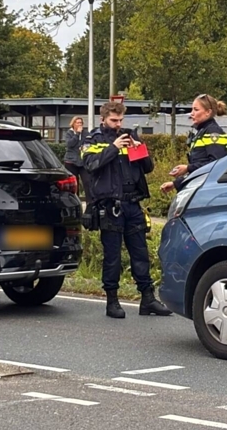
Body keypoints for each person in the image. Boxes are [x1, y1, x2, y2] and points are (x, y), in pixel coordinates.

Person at [82, 101, 172, 319]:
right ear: (103, 119)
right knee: (112, 256)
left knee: (140, 253)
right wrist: (114, 147)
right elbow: (91, 165)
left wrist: (137, 149)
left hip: (132, 204)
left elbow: (148, 168)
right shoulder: (93, 139)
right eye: (114, 120)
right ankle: (112, 301)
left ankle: (148, 299)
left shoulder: (131, 136)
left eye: (120, 120)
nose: (118, 124)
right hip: (110, 205)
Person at [162, 94, 227, 194]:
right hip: (204, 188)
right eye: (192, 110)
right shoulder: (203, 131)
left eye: (196, 110)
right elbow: (199, 170)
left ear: (208, 112)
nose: (191, 114)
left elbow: (215, 165)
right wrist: (175, 184)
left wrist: (187, 168)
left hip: (209, 191)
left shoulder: (212, 132)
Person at [63, 116, 91, 204]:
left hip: (82, 162)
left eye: (81, 123)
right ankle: (75, 202)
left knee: (87, 182)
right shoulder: (69, 133)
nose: (79, 124)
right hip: (71, 162)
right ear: (73, 124)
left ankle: (89, 203)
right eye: (77, 122)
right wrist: (77, 134)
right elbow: (69, 144)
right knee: (75, 184)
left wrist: (84, 147)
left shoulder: (86, 133)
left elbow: (88, 143)